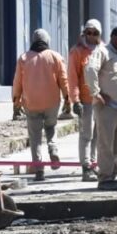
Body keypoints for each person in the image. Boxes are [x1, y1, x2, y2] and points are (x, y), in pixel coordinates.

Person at [13, 29, 70, 182]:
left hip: (31, 103)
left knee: (35, 137)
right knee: (51, 128)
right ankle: (53, 150)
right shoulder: (55, 57)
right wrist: (67, 99)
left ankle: (39, 170)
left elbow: (17, 82)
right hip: (52, 102)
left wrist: (16, 102)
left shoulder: (24, 58)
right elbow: (64, 80)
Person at [86, 26, 117, 190]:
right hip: (107, 107)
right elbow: (90, 69)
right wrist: (96, 93)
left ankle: (113, 176)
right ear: (114, 38)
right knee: (106, 144)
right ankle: (105, 178)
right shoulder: (103, 52)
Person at [69, 19, 103, 181]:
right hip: (85, 100)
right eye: (88, 32)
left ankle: (94, 163)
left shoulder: (103, 50)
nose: (91, 35)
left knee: (97, 134)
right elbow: (72, 78)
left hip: (101, 100)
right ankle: (86, 167)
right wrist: (75, 100)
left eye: (95, 32)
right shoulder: (77, 52)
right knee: (86, 134)